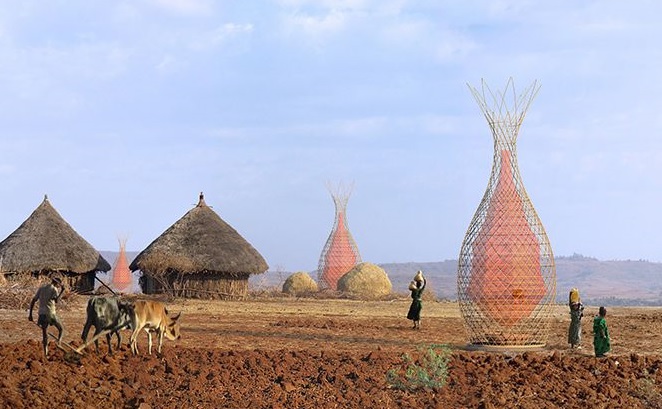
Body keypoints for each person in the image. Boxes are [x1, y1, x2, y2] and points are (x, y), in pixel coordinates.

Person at [28, 276, 66, 357]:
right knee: (61, 329)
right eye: (59, 285)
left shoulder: (42, 288)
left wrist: (30, 314)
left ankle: (46, 353)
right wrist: (62, 291)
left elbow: (33, 300)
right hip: (51, 314)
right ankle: (59, 343)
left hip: (41, 314)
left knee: (45, 334)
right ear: (57, 284)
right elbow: (56, 301)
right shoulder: (54, 289)